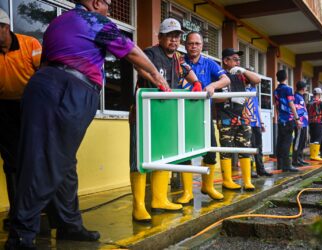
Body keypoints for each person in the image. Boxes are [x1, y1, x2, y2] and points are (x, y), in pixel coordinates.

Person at [6, 1, 170, 249]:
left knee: (63, 162)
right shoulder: (95, 21)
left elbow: (133, 61)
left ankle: (68, 225)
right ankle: (21, 234)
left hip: (45, 86)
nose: (109, 9)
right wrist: (159, 78)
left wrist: (152, 78)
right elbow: (133, 53)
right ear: (95, 2)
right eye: (107, 3)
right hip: (68, 89)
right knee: (47, 161)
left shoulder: (59, 22)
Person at [129, 18, 200, 221]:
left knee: (163, 155)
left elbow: (189, 73)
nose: (174, 40)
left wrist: (196, 83)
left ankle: (159, 199)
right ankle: (138, 206)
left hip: (166, 114)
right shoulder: (151, 53)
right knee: (139, 159)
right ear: (160, 37)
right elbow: (138, 67)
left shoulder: (179, 58)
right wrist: (155, 80)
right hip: (144, 112)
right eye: (169, 36)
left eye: (177, 37)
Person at [175, 31, 231, 204]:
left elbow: (226, 79)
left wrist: (213, 85)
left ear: (202, 46)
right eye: (191, 43)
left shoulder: (209, 63)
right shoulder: (178, 61)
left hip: (204, 113)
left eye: (197, 44)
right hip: (182, 112)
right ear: (185, 44)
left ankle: (207, 186)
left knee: (211, 149)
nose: (193, 46)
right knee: (184, 153)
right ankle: (187, 192)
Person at [0, 8, 42, 230]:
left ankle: (38, 211)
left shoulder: (30, 44)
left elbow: (45, 74)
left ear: (5, 27)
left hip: (31, 106)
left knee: (35, 160)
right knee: (12, 164)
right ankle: (18, 214)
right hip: (4, 109)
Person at [214, 48, 261, 192]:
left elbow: (257, 80)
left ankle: (247, 181)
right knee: (226, 149)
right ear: (226, 61)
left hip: (242, 118)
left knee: (245, 148)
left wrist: (243, 70)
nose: (237, 61)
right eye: (234, 59)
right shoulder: (218, 76)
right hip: (226, 117)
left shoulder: (240, 76)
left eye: (238, 60)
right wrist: (231, 97)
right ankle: (227, 181)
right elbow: (214, 98)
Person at [274, 70, 301, 172]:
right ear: (286, 77)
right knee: (287, 142)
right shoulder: (288, 89)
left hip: (281, 119)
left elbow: (276, 106)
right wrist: (297, 118)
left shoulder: (276, 90)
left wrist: (277, 118)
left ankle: (280, 164)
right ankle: (286, 165)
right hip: (288, 119)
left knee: (280, 141)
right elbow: (291, 104)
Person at [246, 78, 273, 176]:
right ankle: (249, 170)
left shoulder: (254, 90)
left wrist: (261, 122)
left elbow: (257, 106)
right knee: (248, 148)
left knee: (259, 147)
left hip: (256, 123)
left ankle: (260, 169)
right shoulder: (242, 89)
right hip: (247, 122)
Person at [307, 87, 322, 161]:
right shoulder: (320, 102)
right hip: (318, 122)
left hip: (311, 123)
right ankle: (315, 155)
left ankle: (313, 154)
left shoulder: (310, 102)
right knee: (318, 138)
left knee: (312, 138)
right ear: (319, 94)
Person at [292, 81, 309, 167]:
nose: (306, 89)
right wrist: (297, 120)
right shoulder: (296, 97)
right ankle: (295, 160)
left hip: (304, 123)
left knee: (303, 141)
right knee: (298, 141)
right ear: (303, 88)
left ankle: (300, 158)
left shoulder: (301, 97)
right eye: (306, 87)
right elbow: (296, 109)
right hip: (300, 123)